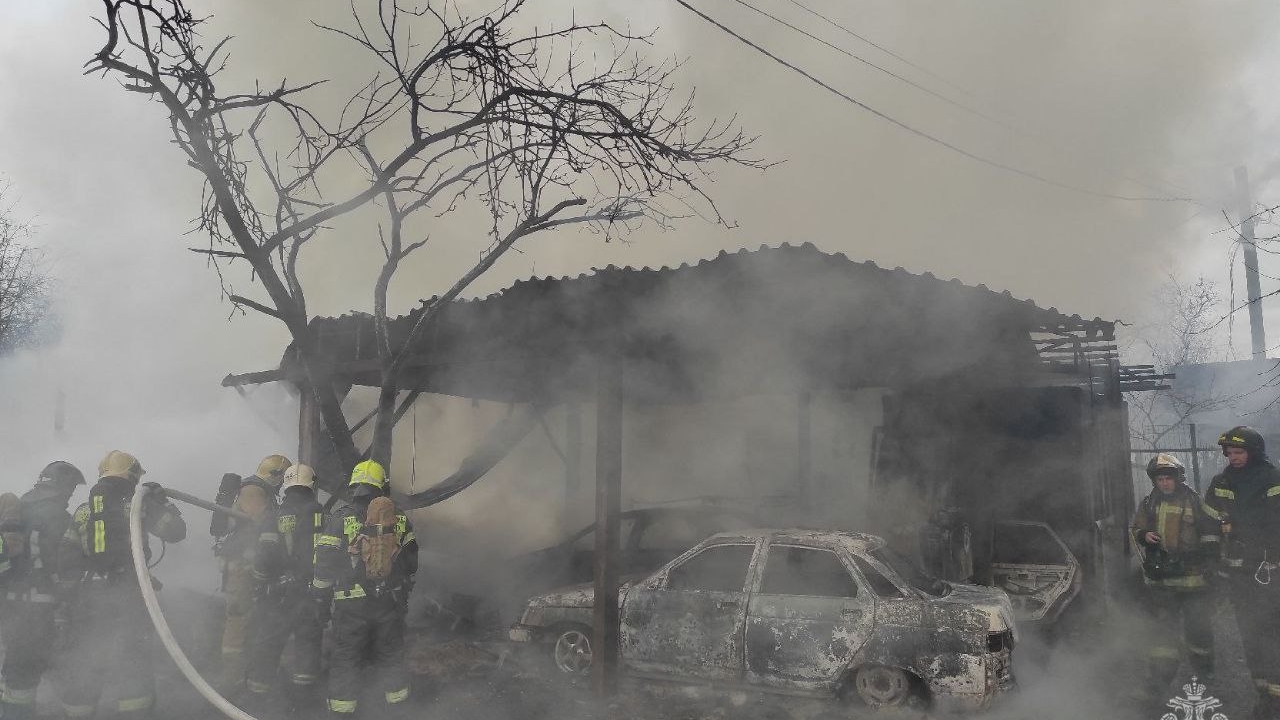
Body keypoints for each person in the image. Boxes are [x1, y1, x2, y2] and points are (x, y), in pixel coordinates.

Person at [59, 450, 186, 719]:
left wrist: (71, 600)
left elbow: (65, 557)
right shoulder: (141, 506)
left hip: (88, 597)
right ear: (133, 476)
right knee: (133, 659)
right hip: (129, 594)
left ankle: (78, 712)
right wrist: (163, 501)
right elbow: (176, 531)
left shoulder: (84, 511)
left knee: (85, 659)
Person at [314, 460, 417, 718]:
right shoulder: (400, 519)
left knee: (346, 658)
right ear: (382, 486)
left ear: (354, 486)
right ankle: (397, 709)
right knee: (391, 656)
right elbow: (412, 564)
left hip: (350, 606)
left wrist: (320, 601)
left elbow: (324, 564)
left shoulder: (341, 518)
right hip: (388, 603)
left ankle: (342, 710)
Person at [1203, 426, 1280, 718]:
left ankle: (1275, 696)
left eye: (1239, 452)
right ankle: (1264, 692)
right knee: (1249, 633)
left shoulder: (1272, 479)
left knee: (1271, 631)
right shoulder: (1220, 482)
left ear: (1254, 452)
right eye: (1230, 452)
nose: (1233, 457)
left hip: (1269, 572)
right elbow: (1208, 523)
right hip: (1237, 574)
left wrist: (1275, 555)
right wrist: (1211, 557)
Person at [0, 461, 85, 719]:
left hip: (13, 607)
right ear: (62, 486)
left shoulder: (16, 510)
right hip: (44, 609)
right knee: (70, 666)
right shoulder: (58, 516)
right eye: (70, 490)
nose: (70, 497)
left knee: (18, 675)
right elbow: (65, 563)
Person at [1130, 453, 1218, 700]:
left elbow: (1210, 533)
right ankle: (1158, 680)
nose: (1164, 483)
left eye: (1168, 478)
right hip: (1162, 582)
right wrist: (1144, 535)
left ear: (1178, 478)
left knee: (1198, 631)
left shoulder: (1195, 501)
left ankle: (1204, 676)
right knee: (1162, 634)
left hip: (1193, 581)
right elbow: (1136, 528)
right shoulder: (1149, 504)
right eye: (1160, 479)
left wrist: (1210, 561)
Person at [243, 463, 326, 715]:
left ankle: (256, 707)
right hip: (310, 599)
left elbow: (264, 560)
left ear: (286, 486)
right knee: (307, 653)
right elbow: (332, 558)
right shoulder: (323, 516)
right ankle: (302, 707)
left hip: (276, 599)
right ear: (312, 485)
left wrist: (260, 582)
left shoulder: (274, 517)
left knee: (266, 650)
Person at [213, 454, 291, 696]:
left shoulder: (259, 490)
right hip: (243, 568)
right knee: (238, 622)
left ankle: (242, 676)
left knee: (249, 620)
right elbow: (262, 524)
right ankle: (231, 680)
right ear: (276, 475)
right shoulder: (254, 490)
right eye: (283, 478)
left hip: (249, 566)